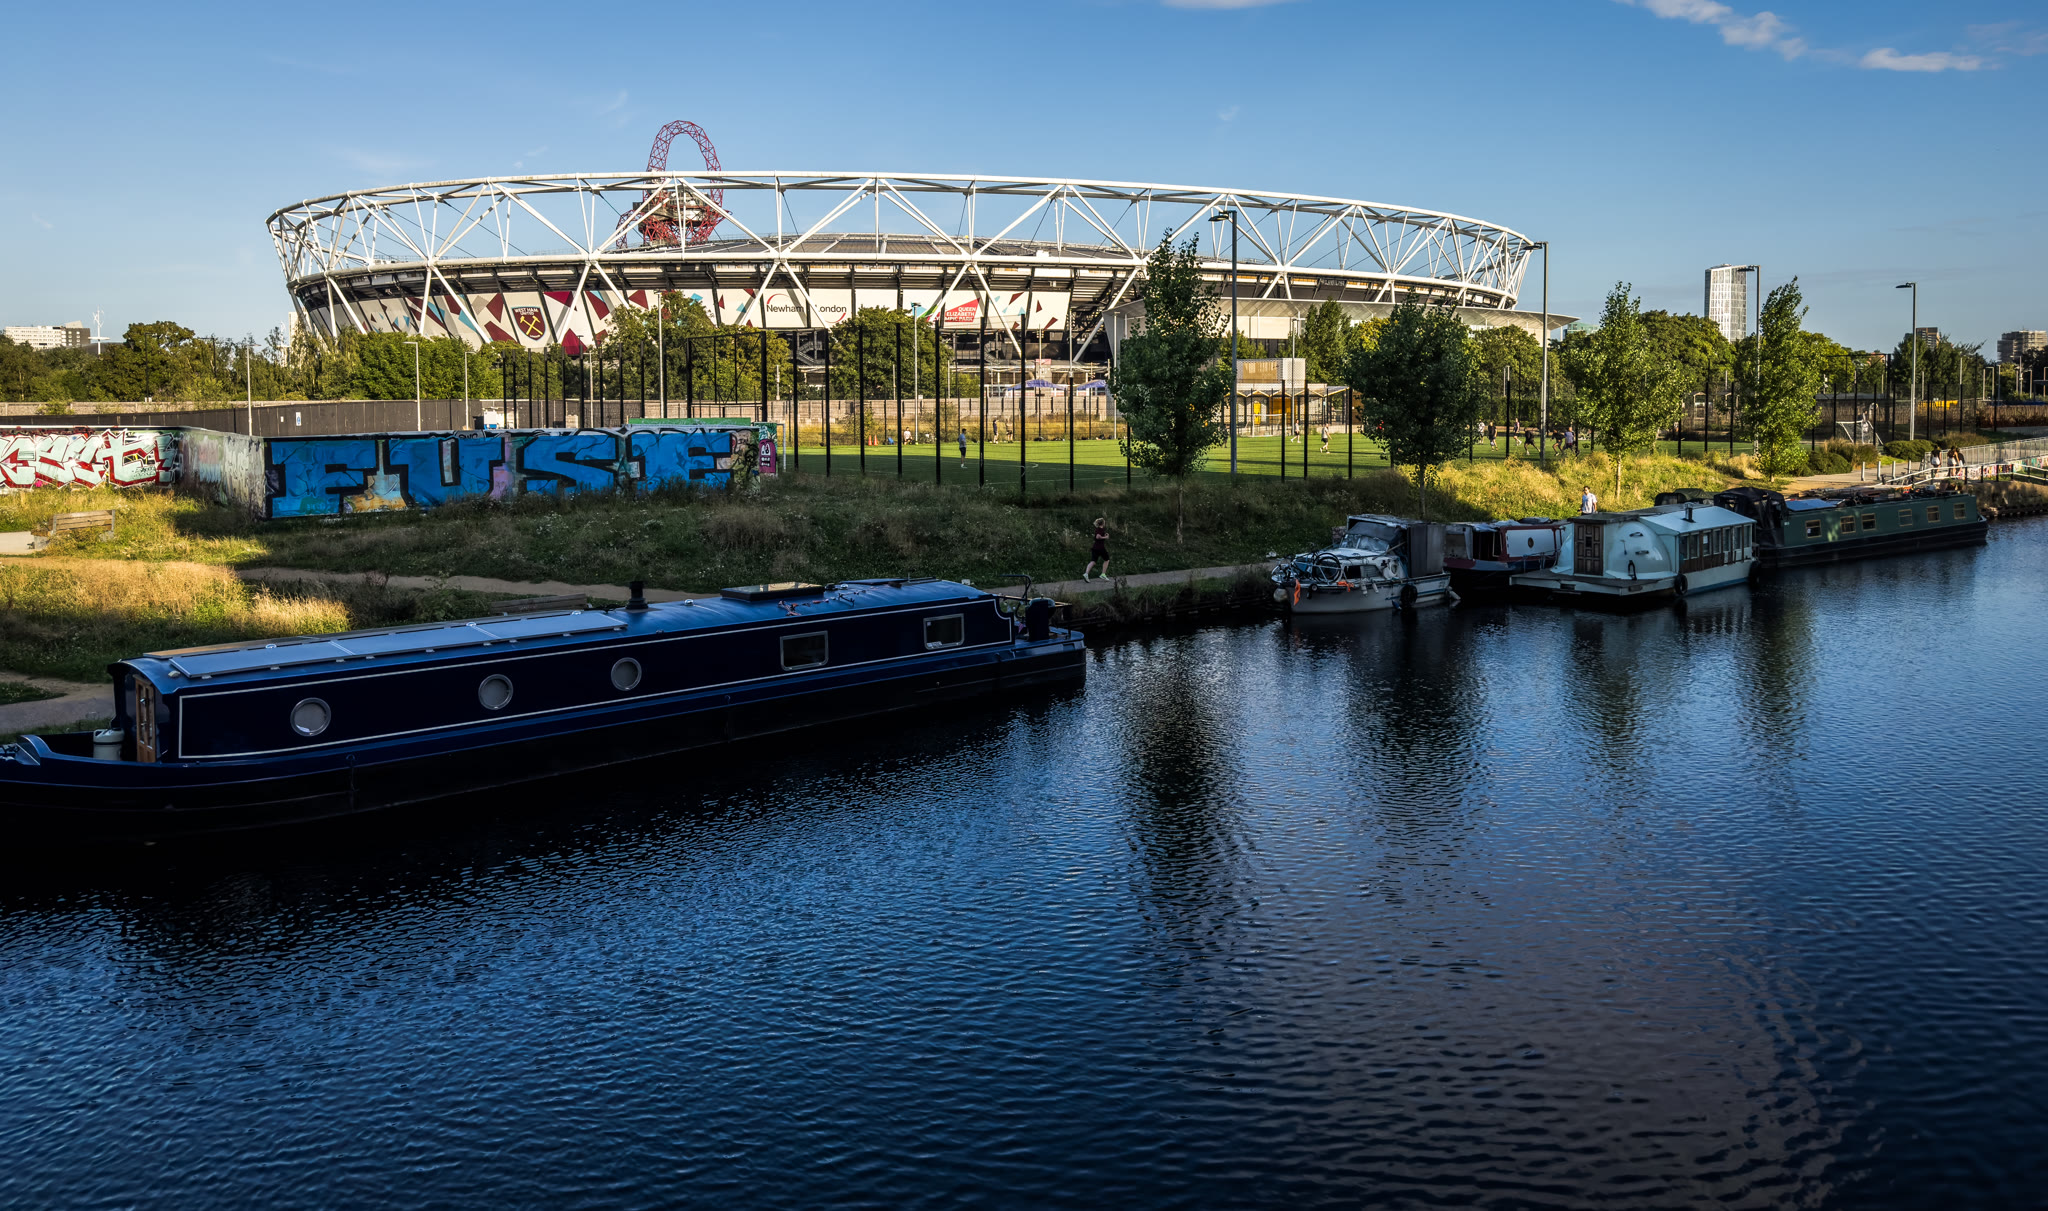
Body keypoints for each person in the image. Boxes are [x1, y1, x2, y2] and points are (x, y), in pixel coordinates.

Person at [1082, 517, 1110, 581]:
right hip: (1100, 548)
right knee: (1107, 560)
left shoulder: (1098, 529)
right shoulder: (1100, 529)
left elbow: (1098, 536)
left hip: (1095, 547)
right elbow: (1098, 537)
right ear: (1103, 523)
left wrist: (1104, 535)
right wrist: (1105, 537)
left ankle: (1086, 574)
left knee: (1093, 561)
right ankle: (1103, 574)